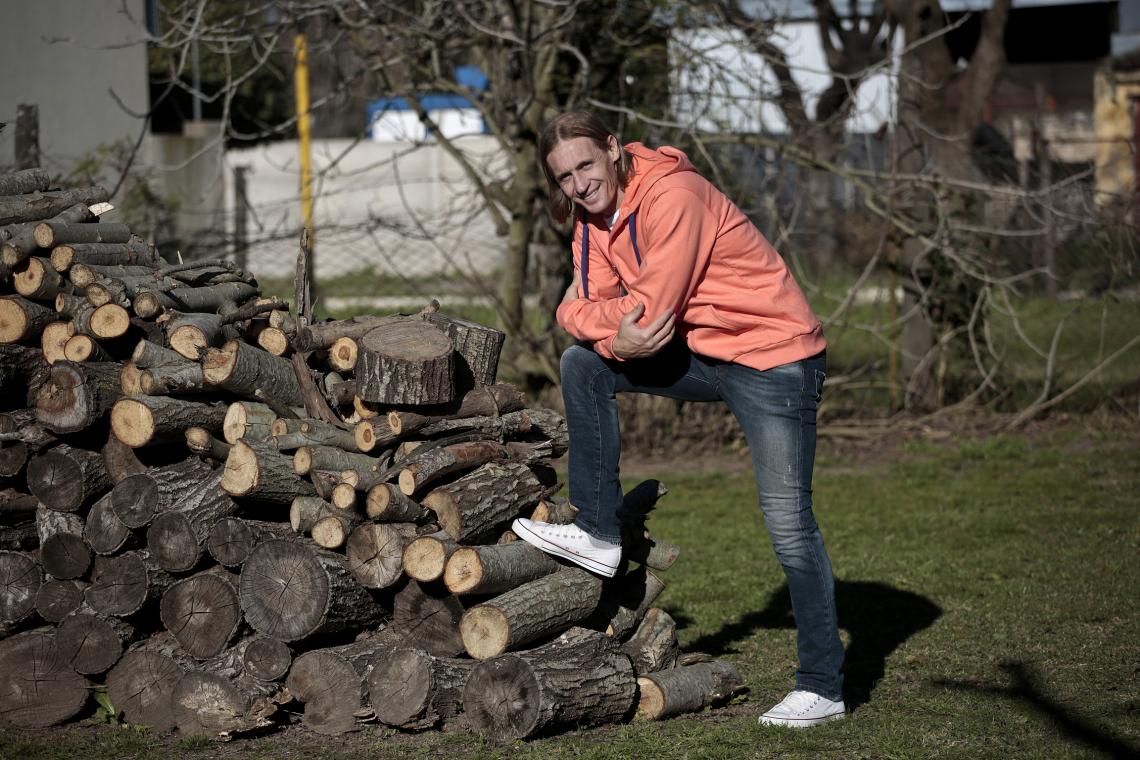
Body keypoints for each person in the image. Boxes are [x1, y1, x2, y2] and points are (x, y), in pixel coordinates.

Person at [510, 110, 846, 728]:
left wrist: (615, 328)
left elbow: (651, 310)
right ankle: (599, 533)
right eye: (564, 177)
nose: (579, 185)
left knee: (788, 522)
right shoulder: (593, 221)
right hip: (708, 353)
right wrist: (613, 335)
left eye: (585, 165)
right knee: (582, 365)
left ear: (612, 149)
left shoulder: (676, 195)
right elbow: (579, 308)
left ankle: (822, 686)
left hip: (775, 359)